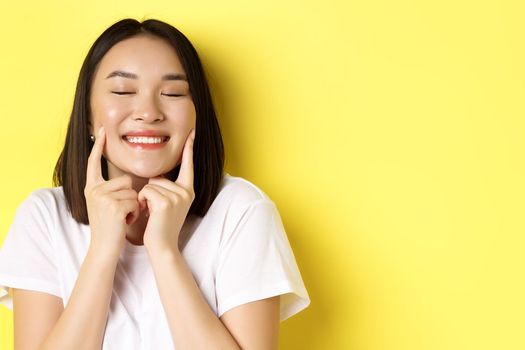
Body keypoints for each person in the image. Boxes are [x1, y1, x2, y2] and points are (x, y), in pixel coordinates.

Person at [0, 18, 310, 349]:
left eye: (173, 93)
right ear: (88, 115)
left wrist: (164, 251)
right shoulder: (44, 217)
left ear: (196, 115)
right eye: (122, 91)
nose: (148, 112)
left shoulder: (242, 211)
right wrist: (103, 250)